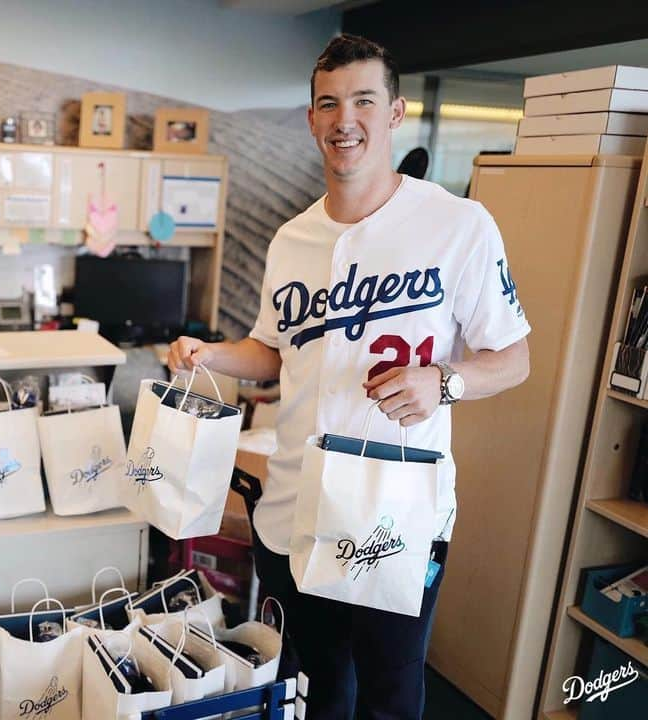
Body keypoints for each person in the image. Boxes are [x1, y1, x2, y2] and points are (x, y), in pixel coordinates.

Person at [167, 34, 531, 719]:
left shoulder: (460, 226)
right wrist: (211, 353)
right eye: (328, 104)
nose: (345, 120)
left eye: (363, 100)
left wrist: (443, 383)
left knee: (391, 693)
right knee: (321, 685)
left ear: (394, 113)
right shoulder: (293, 239)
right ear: (311, 119)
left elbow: (513, 358)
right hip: (294, 506)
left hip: (396, 509)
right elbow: (275, 354)